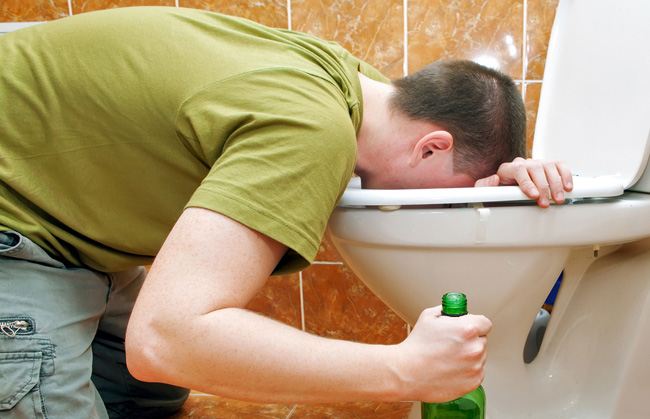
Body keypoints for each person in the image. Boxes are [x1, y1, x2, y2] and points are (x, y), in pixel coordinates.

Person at [0, 6, 572, 418]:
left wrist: (500, 181)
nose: (443, 203)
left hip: (71, 218)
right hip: (18, 221)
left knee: (149, 397)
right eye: (453, 190)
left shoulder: (359, 90)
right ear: (432, 147)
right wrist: (405, 370)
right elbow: (163, 342)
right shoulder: (312, 127)